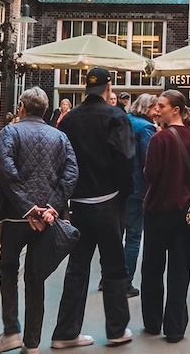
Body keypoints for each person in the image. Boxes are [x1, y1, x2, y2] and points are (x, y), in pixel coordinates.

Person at [0, 88, 78, 354]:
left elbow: (7, 172)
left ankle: (11, 330)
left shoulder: (10, 132)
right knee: (35, 277)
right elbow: (71, 173)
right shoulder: (60, 136)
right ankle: (32, 342)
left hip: (16, 217)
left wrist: (28, 208)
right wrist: (52, 207)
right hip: (48, 220)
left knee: (7, 269)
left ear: (21, 107)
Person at [51, 68, 135, 350]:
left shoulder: (70, 119)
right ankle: (116, 329)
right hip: (109, 201)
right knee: (113, 267)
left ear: (85, 86)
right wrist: (126, 193)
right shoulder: (116, 117)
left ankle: (65, 332)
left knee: (77, 268)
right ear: (108, 87)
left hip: (78, 204)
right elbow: (125, 159)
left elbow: (59, 160)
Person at [141, 89, 190, 343]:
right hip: (186, 215)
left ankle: (151, 322)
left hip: (158, 211)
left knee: (152, 268)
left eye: (161, 105)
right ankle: (175, 327)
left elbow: (150, 173)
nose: (156, 109)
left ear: (176, 110)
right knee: (179, 271)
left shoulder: (159, 140)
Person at [123, 94, 157, 297]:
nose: (158, 112)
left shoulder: (126, 121)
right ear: (147, 108)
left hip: (120, 187)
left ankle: (107, 277)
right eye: (155, 108)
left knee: (118, 235)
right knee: (134, 237)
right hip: (138, 189)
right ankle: (126, 282)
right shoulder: (146, 128)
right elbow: (149, 161)